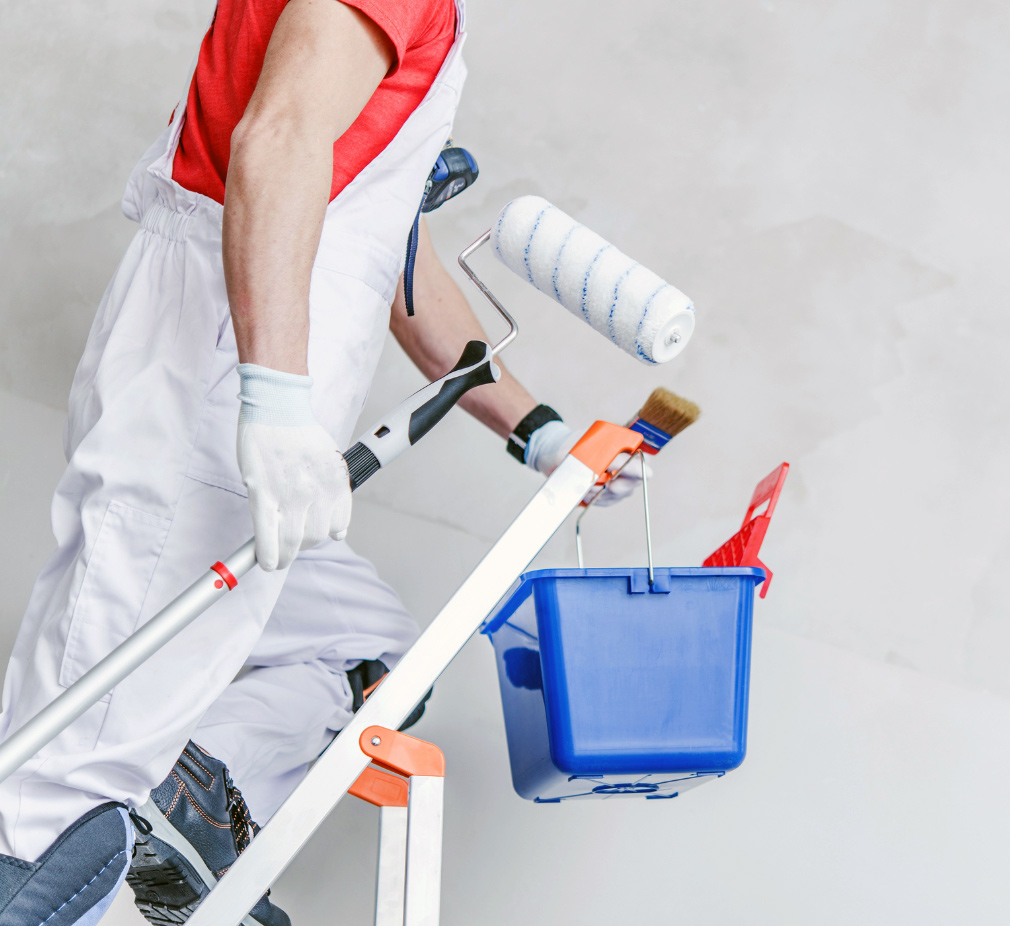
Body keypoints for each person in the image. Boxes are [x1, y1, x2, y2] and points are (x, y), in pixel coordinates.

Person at [0, 1, 641, 923]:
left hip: (251, 417)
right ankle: (106, 847)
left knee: (366, 649)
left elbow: (389, 260)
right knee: (63, 784)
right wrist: (273, 397)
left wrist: (538, 431)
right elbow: (281, 138)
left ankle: (178, 811)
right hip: (223, 395)